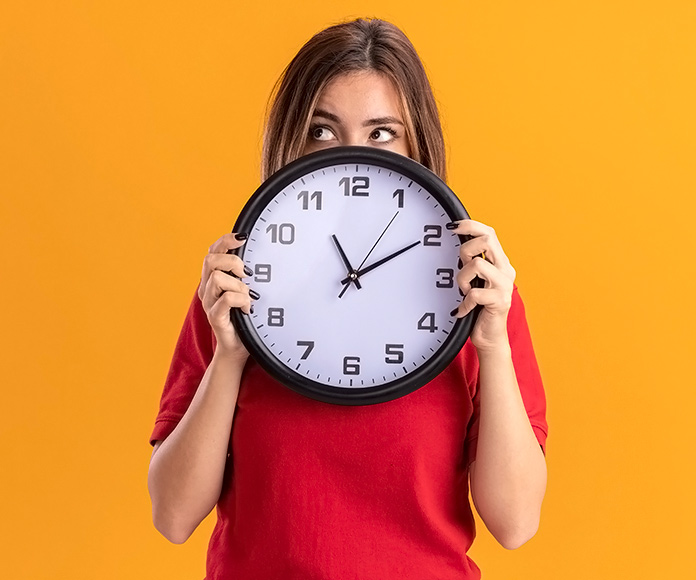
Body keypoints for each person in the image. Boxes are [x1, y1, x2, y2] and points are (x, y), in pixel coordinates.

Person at [148, 18, 547, 579]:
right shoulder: (234, 290)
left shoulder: (477, 294)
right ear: (290, 140)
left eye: (381, 132)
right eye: (322, 130)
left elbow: (516, 521)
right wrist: (231, 354)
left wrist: (493, 345)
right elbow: (172, 515)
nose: (351, 158)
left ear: (418, 145)